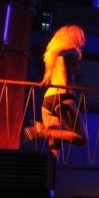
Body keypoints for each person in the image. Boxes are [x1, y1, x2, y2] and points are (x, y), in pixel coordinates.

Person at [24, 24, 87, 157]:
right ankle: (40, 131)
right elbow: (59, 53)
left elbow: (55, 53)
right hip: (64, 97)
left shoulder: (53, 52)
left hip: (48, 99)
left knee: (54, 147)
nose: (83, 41)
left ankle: (50, 168)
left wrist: (47, 76)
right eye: (81, 37)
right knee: (81, 138)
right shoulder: (72, 50)